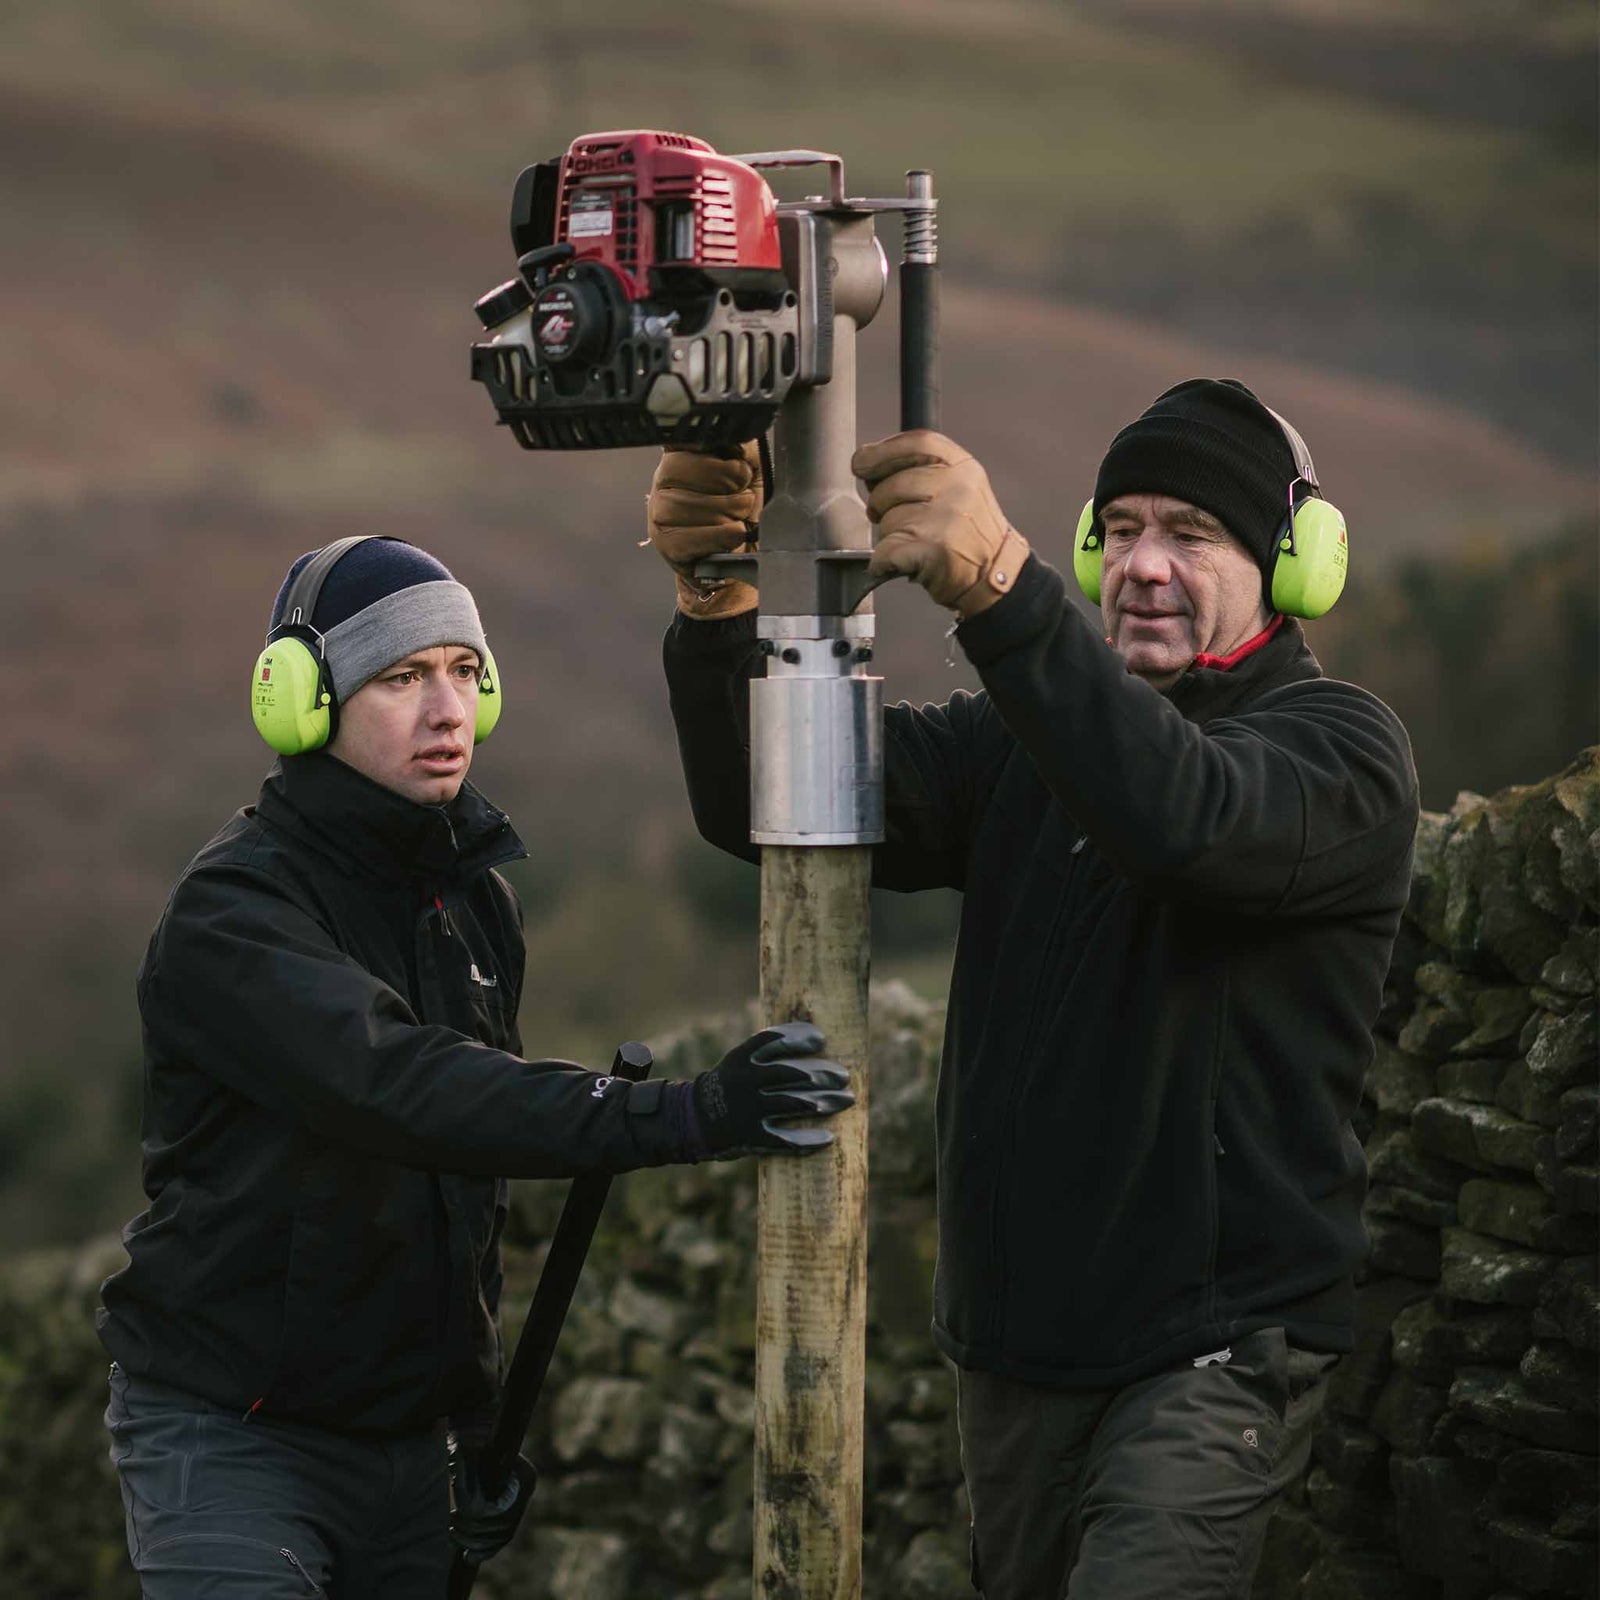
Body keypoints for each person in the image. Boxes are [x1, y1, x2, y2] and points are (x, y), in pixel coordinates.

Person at [648, 379, 1420, 1599]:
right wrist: (716, 600)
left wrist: (1003, 588)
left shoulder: (1339, 749)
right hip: (1015, 1359)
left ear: (1294, 564)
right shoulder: (1023, 741)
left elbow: (1181, 816)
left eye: (1190, 534)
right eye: (1117, 532)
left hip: (1207, 1355)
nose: (1143, 567)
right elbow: (768, 799)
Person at [98, 534, 852, 1600]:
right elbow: (402, 1087)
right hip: (231, 1436)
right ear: (300, 700)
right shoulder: (234, 916)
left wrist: (469, 1425)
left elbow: (460, 1197)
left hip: (409, 1450)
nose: (446, 708)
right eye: (402, 677)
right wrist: (680, 1113)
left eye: (463, 671)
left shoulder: (473, 901)